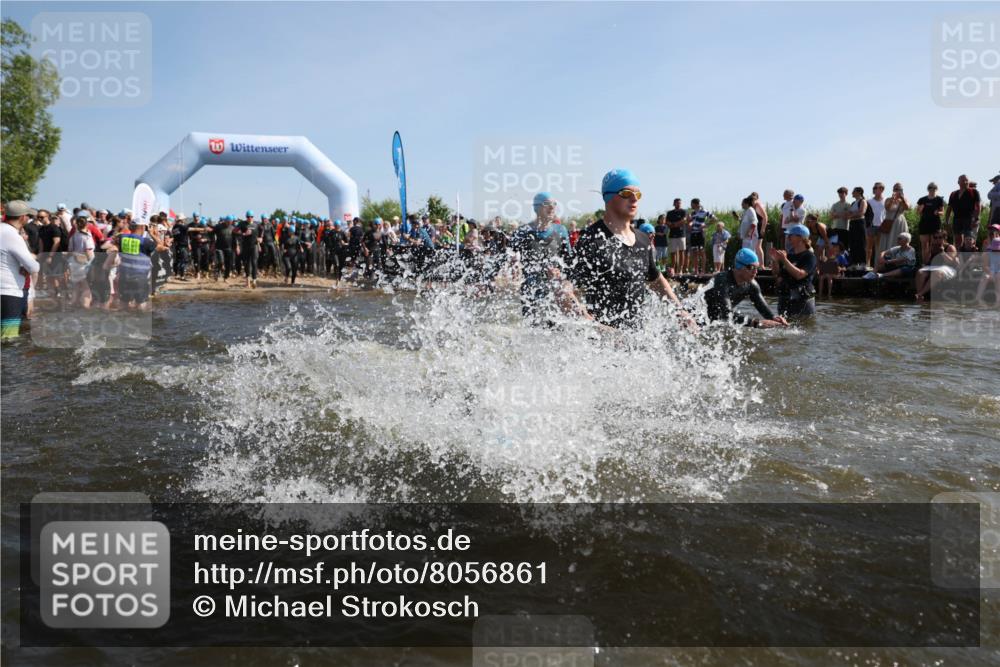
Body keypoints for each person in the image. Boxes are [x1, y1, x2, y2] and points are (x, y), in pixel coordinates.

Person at [565, 169, 695, 330]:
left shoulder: (642, 239)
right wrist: (594, 326)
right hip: (601, 345)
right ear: (608, 197)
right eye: (626, 193)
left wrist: (680, 311)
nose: (634, 198)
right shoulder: (591, 240)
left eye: (638, 194)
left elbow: (655, 279)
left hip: (636, 339)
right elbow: (565, 289)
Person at [509, 192, 571, 324]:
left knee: (556, 331)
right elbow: (505, 257)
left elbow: (570, 262)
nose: (552, 207)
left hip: (555, 289)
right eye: (547, 204)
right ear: (536, 208)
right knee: (533, 331)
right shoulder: (522, 232)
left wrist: (563, 276)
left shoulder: (561, 231)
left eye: (554, 204)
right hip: (531, 291)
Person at [703, 248, 787, 328]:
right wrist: (755, 322)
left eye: (757, 268)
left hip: (714, 321)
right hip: (697, 318)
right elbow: (726, 313)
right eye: (751, 267)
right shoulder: (722, 280)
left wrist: (775, 318)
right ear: (739, 266)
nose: (755, 272)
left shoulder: (751, 285)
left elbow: (763, 308)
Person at [1, 201, 41, 340]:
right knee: (8, 338)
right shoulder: (12, 235)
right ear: (23, 217)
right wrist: (29, 263)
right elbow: (33, 267)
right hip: (9, 292)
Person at [116, 217, 165, 311]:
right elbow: (161, 247)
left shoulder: (122, 238)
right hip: (139, 277)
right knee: (141, 305)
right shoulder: (145, 242)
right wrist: (151, 234)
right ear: (142, 227)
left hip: (124, 276)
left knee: (123, 303)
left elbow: (114, 240)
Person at [770, 223, 817, 318]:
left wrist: (784, 260)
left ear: (801, 238)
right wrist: (775, 261)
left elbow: (800, 274)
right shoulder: (789, 256)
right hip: (785, 299)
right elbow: (776, 273)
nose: (788, 237)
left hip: (802, 300)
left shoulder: (809, 256)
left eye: (791, 235)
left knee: (804, 327)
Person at [915, 232, 960, 302]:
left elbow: (952, 263)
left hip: (947, 268)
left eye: (940, 237)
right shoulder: (931, 246)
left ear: (944, 238)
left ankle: (920, 294)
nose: (937, 239)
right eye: (935, 237)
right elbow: (925, 261)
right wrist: (929, 250)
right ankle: (920, 296)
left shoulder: (950, 247)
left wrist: (943, 253)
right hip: (932, 266)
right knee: (920, 272)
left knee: (936, 273)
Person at [67, 212, 96, 308]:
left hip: (74, 262)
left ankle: (73, 304)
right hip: (84, 264)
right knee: (86, 287)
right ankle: (85, 307)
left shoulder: (74, 236)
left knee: (76, 286)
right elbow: (89, 252)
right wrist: (92, 263)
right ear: (86, 224)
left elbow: (70, 250)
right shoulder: (87, 237)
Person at [945, 174, 982, 250]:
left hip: (969, 219)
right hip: (956, 219)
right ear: (958, 182)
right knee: (957, 240)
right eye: (963, 180)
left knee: (968, 241)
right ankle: (958, 258)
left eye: (967, 180)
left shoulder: (974, 192)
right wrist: (947, 221)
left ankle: (969, 259)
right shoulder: (953, 194)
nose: (965, 182)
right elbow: (949, 209)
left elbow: (978, 206)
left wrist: (976, 219)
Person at [916, 182, 945, 266]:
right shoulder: (922, 199)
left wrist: (938, 212)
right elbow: (917, 212)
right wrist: (920, 209)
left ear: (937, 189)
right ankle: (925, 263)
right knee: (924, 245)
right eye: (930, 188)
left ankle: (935, 263)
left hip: (935, 224)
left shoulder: (939, 199)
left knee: (935, 245)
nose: (932, 189)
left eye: (934, 188)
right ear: (928, 189)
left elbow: (942, 212)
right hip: (924, 224)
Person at [879, 183, 910, 257]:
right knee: (888, 241)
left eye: (899, 189)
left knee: (900, 240)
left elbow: (907, 208)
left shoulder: (904, 200)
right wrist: (892, 200)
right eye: (895, 189)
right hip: (889, 223)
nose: (897, 191)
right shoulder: (888, 199)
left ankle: (899, 259)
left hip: (900, 223)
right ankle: (886, 259)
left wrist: (902, 199)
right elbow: (887, 208)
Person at [686, 198, 716, 274]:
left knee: (702, 251)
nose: (691, 205)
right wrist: (689, 223)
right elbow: (690, 222)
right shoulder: (692, 213)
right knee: (694, 252)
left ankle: (703, 270)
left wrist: (705, 225)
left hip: (700, 233)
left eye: (691, 204)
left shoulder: (704, 211)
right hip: (693, 233)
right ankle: (696, 270)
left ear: (696, 204)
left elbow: (715, 219)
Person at [975, 224, 1000, 307]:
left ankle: (998, 301)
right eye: (990, 232)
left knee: (998, 276)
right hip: (990, 271)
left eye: (994, 232)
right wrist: (991, 273)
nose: (992, 234)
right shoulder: (987, 247)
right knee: (985, 277)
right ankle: (978, 299)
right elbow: (985, 266)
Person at [847, 186, 869, 269]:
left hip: (860, 223)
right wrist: (853, 215)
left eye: (854, 191)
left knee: (861, 243)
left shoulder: (863, 201)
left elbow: (861, 213)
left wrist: (852, 215)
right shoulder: (853, 203)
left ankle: (863, 263)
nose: (852, 193)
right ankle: (854, 263)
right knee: (853, 243)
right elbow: (848, 214)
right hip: (852, 224)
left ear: (859, 192)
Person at [237, 211, 260, 288]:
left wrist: (261, 238)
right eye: (248, 217)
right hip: (246, 246)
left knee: (254, 262)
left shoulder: (257, 224)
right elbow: (234, 231)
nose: (249, 218)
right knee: (246, 264)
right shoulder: (242, 224)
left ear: (253, 217)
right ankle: (247, 282)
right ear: (246, 217)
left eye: (251, 217)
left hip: (254, 246)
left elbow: (261, 232)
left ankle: (254, 281)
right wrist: (243, 234)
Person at [666, 198, 687, 273]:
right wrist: (674, 225)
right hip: (672, 235)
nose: (679, 204)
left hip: (681, 234)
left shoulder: (683, 211)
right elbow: (667, 222)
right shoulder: (670, 213)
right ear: (674, 204)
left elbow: (684, 220)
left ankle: (680, 269)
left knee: (682, 252)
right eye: (677, 203)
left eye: (680, 203)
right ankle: (673, 269)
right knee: (673, 252)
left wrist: (674, 224)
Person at [213, 215, 235, 281]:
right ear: (225, 221)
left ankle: (226, 277)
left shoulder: (232, 228)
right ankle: (216, 273)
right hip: (219, 247)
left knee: (228, 264)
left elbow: (235, 238)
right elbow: (212, 231)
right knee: (221, 261)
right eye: (228, 221)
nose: (229, 223)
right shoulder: (219, 227)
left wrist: (236, 247)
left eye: (230, 222)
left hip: (228, 248)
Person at [829, 187, 851, 253]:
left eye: (842, 193)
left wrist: (837, 214)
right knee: (835, 246)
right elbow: (831, 216)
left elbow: (848, 216)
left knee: (844, 246)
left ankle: (845, 261)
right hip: (835, 228)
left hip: (845, 229)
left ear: (846, 194)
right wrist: (842, 214)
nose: (840, 194)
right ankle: (836, 261)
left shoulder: (849, 205)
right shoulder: (835, 205)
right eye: (839, 193)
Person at [281, 220, 302, 285]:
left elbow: (299, 245)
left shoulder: (296, 238)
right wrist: (283, 249)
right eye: (290, 232)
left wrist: (301, 248)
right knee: (288, 267)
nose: (291, 233)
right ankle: (287, 277)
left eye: (292, 232)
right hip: (286, 255)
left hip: (294, 255)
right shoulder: (285, 237)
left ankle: (292, 282)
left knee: (294, 269)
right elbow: (281, 244)